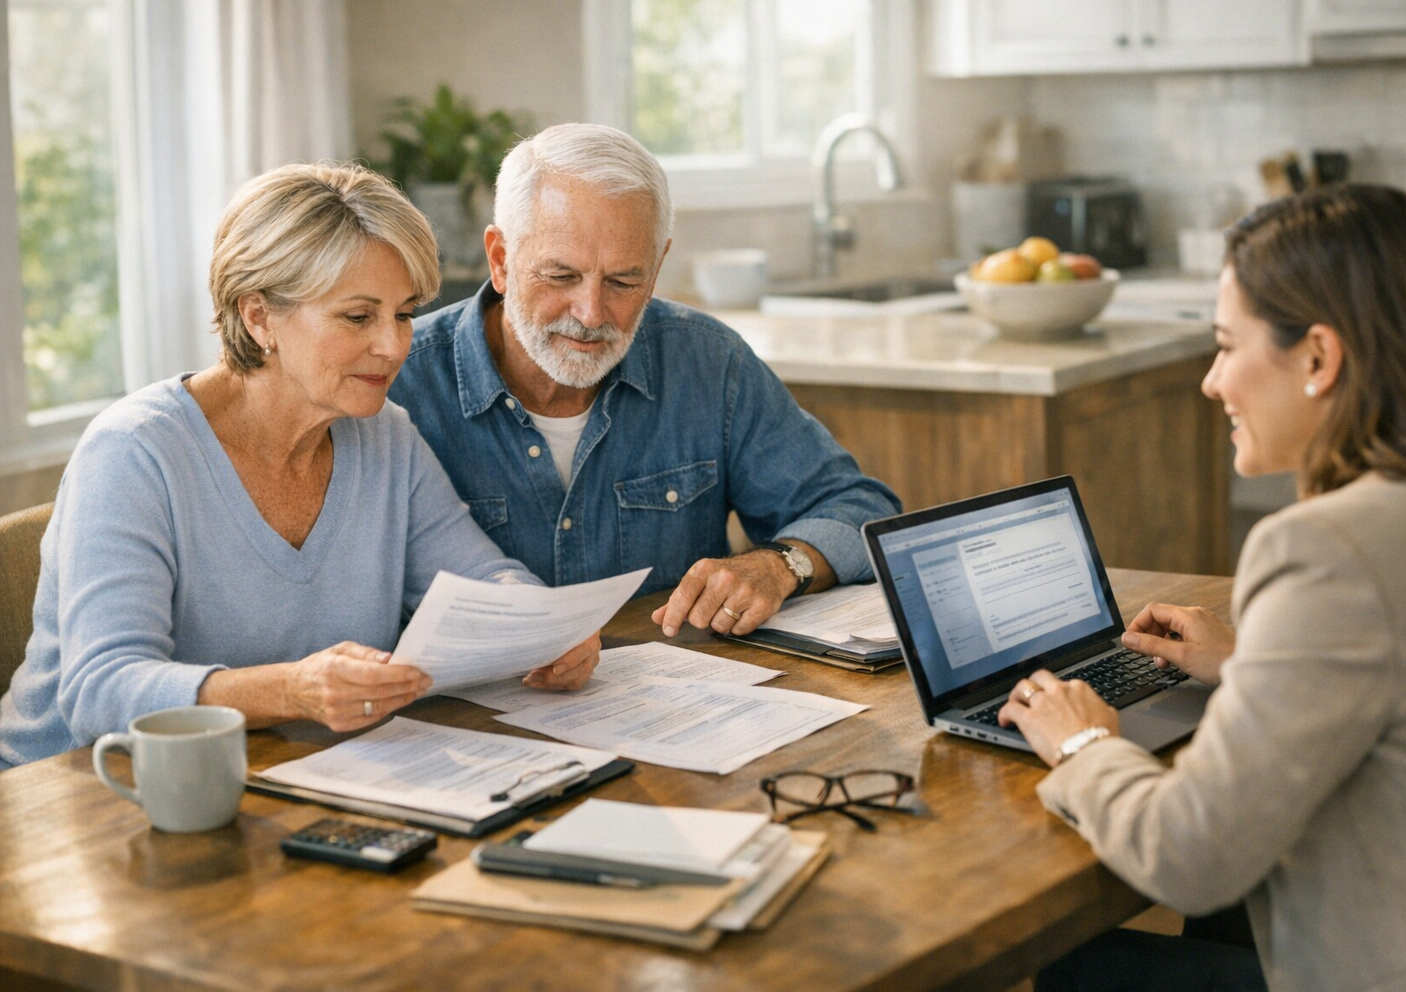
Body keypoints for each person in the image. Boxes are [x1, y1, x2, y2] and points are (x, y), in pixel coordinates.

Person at [997, 185, 1406, 992]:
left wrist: (1080, 741)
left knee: (1076, 966)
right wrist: (1255, 663)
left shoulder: (1330, 550)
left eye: (1226, 345)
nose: (1213, 382)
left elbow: (1189, 855)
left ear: (1318, 357)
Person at [0, 163, 599, 768]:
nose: (394, 346)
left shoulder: (383, 434)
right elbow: (100, 692)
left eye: (403, 313)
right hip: (72, 799)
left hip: (274, 775)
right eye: (358, 317)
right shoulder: (135, 452)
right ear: (259, 316)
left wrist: (546, 629)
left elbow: (478, 577)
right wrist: (292, 690)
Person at [390, 123, 900, 638]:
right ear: (501, 260)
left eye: (623, 281)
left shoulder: (706, 361)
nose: (591, 314)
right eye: (561, 276)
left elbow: (860, 510)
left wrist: (780, 565)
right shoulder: (397, 380)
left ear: (656, 271)